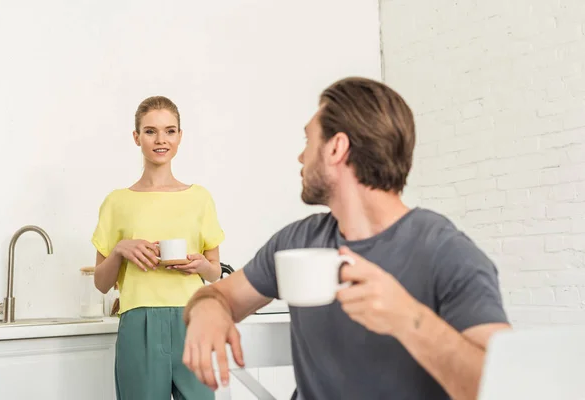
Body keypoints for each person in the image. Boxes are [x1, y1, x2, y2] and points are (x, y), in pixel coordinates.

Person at [182, 77, 511, 400]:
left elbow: (504, 387)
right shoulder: (297, 243)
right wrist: (207, 311)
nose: (300, 157)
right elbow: (220, 296)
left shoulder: (447, 253)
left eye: (308, 141)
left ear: (336, 147)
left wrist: (409, 319)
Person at [92, 96, 224, 400]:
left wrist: (198, 265)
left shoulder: (199, 198)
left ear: (180, 137)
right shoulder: (117, 202)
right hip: (139, 323)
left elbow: (215, 271)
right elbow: (101, 283)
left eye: (170, 131)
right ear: (136, 137)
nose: (161, 139)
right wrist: (120, 250)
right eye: (150, 131)